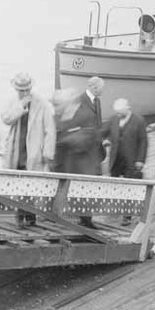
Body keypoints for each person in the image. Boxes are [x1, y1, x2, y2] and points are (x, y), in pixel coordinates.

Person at [0, 73, 56, 228]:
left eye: (26, 90)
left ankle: (30, 216)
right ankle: (19, 215)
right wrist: (20, 108)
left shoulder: (41, 103)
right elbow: (6, 119)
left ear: (30, 88)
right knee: (18, 183)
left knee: (31, 184)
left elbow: (50, 129)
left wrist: (47, 152)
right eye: (20, 90)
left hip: (33, 150)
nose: (23, 93)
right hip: (17, 148)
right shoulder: (13, 102)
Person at [54, 76, 105, 228]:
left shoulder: (85, 114)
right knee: (71, 195)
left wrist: (65, 140)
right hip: (69, 163)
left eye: (60, 105)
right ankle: (72, 218)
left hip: (85, 163)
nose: (58, 108)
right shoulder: (61, 115)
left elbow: (88, 135)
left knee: (86, 194)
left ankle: (86, 221)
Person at [107, 97, 148, 226]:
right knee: (115, 185)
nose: (118, 115)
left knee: (129, 188)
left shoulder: (139, 120)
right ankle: (116, 208)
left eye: (120, 112)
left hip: (131, 160)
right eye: (117, 112)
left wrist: (140, 160)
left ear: (127, 108)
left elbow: (143, 141)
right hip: (116, 159)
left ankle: (127, 215)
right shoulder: (114, 119)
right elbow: (107, 132)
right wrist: (105, 139)